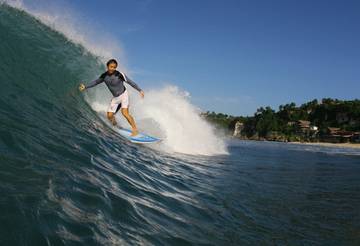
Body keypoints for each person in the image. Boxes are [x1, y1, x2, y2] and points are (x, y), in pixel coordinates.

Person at [79, 59, 144, 136]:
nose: (112, 69)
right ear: (107, 66)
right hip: (116, 98)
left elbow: (130, 82)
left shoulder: (120, 75)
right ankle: (115, 125)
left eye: (114, 67)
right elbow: (96, 82)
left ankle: (135, 130)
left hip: (124, 95)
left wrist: (140, 90)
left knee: (125, 113)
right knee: (109, 116)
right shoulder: (104, 76)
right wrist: (85, 86)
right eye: (111, 67)